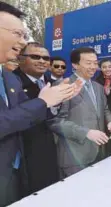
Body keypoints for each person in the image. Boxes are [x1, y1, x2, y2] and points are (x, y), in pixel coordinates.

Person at [0, 2, 82, 206]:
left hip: (15, 172)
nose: (23, 40)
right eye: (17, 33)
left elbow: (25, 113)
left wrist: (55, 99)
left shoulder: (9, 79)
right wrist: (43, 101)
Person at [49, 47, 111, 178]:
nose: (93, 67)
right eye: (88, 63)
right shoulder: (63, 85)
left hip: (98, 152)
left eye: (95, 63)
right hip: (74, 156)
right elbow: (55, 122)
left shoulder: (98, 87)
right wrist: (86, 133)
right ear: (75, 65)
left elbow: (105, 109)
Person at [13, 42, 59, 195]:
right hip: (23, 152)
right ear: (21, 58)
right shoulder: (12, 82)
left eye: (46, 58)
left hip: (47, 148)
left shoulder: (49, 82)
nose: (42, 61)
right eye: (35, 57)